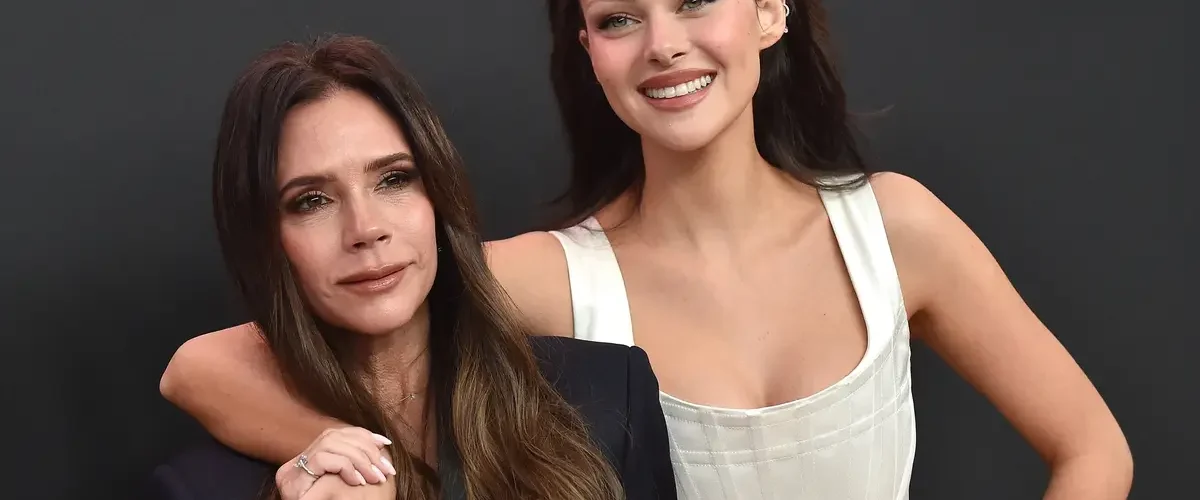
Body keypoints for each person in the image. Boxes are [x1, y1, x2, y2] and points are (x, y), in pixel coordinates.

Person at [160, 1, 1134, 498]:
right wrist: (332, 456)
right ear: (589, 50)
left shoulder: (892, 227)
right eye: (620, 18)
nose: (662, 44)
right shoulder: (550, 277)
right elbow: (200, 368)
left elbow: (1093, 448)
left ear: (770, 10)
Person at [150, 35, 676, 500]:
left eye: (394, 179)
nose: (365, 228)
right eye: (312, 200)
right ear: (266, 238)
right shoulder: (202, 487)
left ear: (438, 197)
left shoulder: (611, 398)